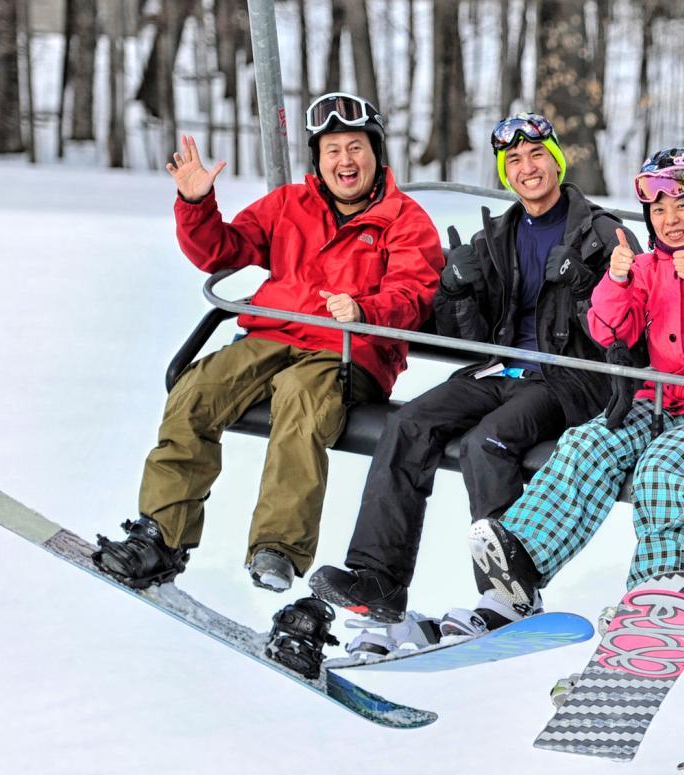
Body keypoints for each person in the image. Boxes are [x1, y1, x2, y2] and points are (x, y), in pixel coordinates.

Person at [92, 92, 444, 597]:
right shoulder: (290, 205)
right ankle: (161, 536)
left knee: (301, 403)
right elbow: (222, 250)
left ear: (376, 153)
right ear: (318, 160)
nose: (345, 161)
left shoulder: (404, 220)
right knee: (196, 391)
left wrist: (367, 310)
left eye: (356, 148)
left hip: (347, 350)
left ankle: (278, 544)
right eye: (332, 151)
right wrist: (196, 205)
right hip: (272, 333)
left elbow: (413, 292)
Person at [308, 113, 640, 627]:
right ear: (506, 175)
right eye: (514, 163)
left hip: (569, 377)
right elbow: (467, 339)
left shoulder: (602, 233)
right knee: (408, 425)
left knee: (489, 444)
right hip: (497, 370)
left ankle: (509, 589)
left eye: (536, 157)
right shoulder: (499, 235)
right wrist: (457, 290)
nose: (527, 169)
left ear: (555, 161)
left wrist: (582, 289)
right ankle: (380, 578)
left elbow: (629, 330)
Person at [441, 146, 684, 640]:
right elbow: (607, 332)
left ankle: (660, 596)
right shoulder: (649, 266)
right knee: (587, 443)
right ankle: (523, 563)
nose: (671, 220)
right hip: (659, 403)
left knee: (661, 470)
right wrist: (616, 281)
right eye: (659, 210)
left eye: (683, 205)